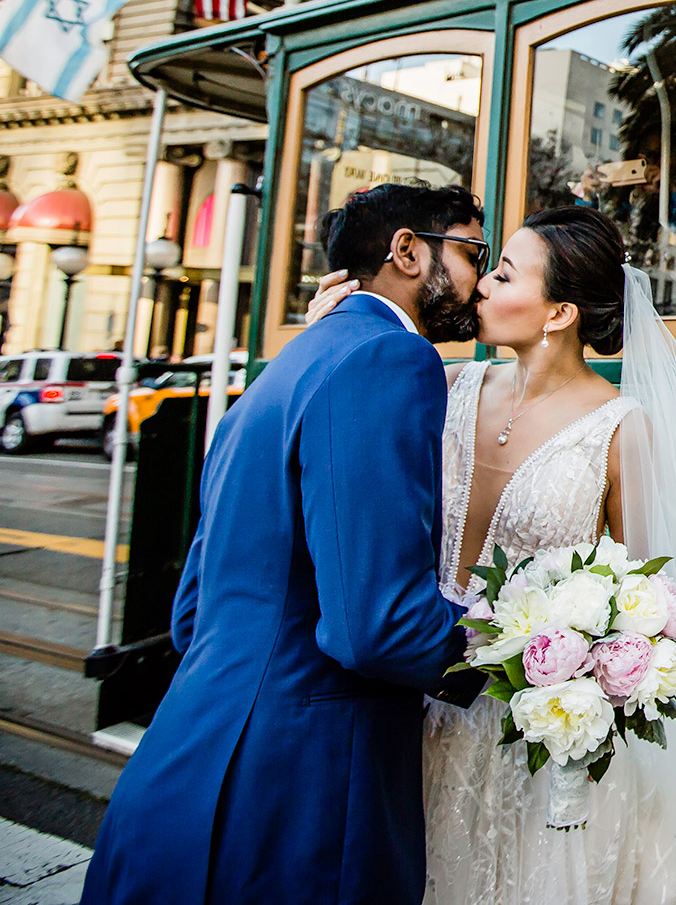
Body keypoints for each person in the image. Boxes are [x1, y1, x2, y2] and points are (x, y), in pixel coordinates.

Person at [308, 207, 676, 903]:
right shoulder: (446, 387)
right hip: (420, 713)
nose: (481, 287)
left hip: (543, 740)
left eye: (503, 275)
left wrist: (577, 675)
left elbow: (643, 601)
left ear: (558, 311)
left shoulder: (620, 429)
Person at [82, 184, 489, 905]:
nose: (479, 279)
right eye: (470, 252)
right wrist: (514, 662)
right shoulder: (391, 359)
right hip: (299, 799)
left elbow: (191, 610)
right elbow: (378, 627)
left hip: (182, 767)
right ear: (406, 249)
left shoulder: (284, 369)